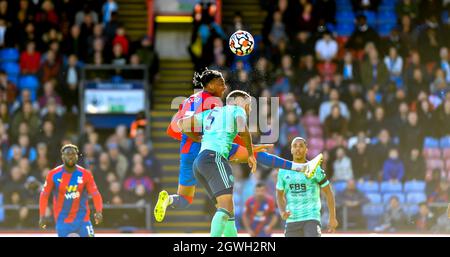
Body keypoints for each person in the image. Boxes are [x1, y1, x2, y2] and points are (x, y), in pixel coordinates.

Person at [154, 68, 322, 222]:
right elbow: (227, 132)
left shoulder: (190, 99)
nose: (224, 87)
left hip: (186, 152)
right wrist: (246, 147)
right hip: (208, 148)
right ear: (211, 85)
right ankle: (302, 167)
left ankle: (168, 199)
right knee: (257, 156)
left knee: (185, 199)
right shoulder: (214, 103)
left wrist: (193, 137)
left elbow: (174, 128)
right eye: (221, 83)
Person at [276, 137, 338, 237]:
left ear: (306, 150)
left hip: (311, 218)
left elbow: (329, 193)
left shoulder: (315, 169)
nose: (298, 148)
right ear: (291, 150)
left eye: (301, 146)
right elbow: (279, 194)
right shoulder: (283, 171)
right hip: (292, 220)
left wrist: (332, 218)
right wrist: (282, 211)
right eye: (295, 146)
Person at [38, 144, 103, 237]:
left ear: (77, 156)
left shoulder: (85, 174)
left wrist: (99, 212)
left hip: (83, 220)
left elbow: (96, 194)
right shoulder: (53, 174)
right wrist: (42, 215)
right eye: (67, 154)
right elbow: (44, 196)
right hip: (63, 221)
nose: (70, 156)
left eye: (73, 154)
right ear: (62, 157)